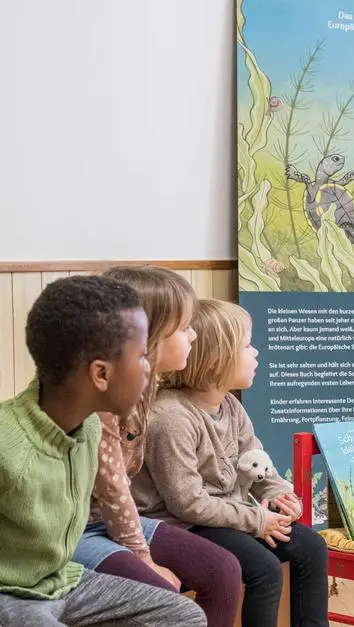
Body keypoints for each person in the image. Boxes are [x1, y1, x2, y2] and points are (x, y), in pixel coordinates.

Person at [0, 275, 206, 626]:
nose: (149, 369)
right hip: (11, 595)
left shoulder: (90, 428)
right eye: (142, 356)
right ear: (101, 374)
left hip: (63, 582)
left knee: (183, 616)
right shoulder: (9, 443)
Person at [134, 298, 329, 626]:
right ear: (216, 360)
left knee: (311, 547)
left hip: (229, 517)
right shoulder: (171, 418)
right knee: (264, 569)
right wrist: (256, 519)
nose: (256, 353)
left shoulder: (231, 406)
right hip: (183, 525)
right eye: (247, 346)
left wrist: (280, 494)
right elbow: (187, 504)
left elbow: (257, 461)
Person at [70, 266, 240, 627]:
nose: (194, 335)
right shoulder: (100, 400)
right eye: (184, 327)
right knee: (163, 597)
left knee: (222, 569)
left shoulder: (144, 387)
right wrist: (143, 557)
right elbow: (114, 490)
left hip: (109, 521)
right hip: (72, 532)